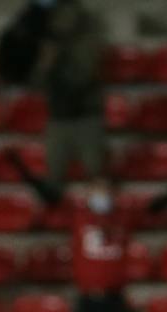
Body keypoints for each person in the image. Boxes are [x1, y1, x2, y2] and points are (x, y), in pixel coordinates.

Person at [3, 156, 167, 312]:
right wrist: (22, 170)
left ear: (114, 193)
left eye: (106, 190)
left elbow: (159, 205)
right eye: (97, 189)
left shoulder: (125, 215)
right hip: (88, 300)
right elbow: (48, 195)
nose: (101, 194)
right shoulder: (78, 213)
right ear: (89, 192)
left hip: (116, 299)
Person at [31, 0, 108, 183]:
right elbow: (36, 83)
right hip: (58, 118)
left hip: (86, 117)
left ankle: (98, 208)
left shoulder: (87, 40)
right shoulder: (48, 45)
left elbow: (83, 77)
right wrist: (44, 65)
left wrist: (61, 58)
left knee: (96, 173)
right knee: (53, 176)